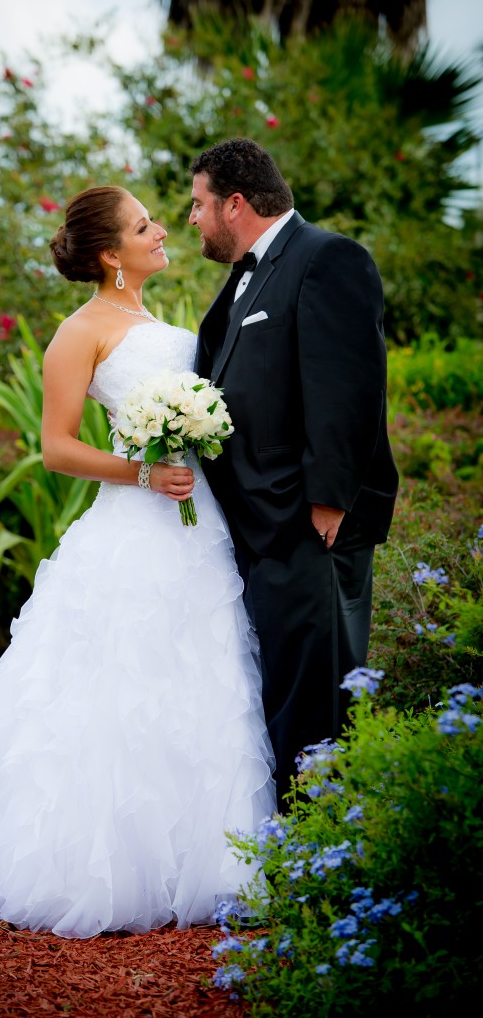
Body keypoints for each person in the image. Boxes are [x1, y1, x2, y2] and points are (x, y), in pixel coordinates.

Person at [0, 185, 276, 939]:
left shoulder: (157, 322)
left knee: (199, 671)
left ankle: (211, 854)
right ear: (110, 254)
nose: (160, 232)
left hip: (198, 524)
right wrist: (143, 472)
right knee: (123, 683)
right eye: (144, 226)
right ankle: (103, 861)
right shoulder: (78, 333)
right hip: (135, 525)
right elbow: (56, 448)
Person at [189, 139, 399, 810]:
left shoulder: (326, 258)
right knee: (282, 691)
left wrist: (327, 503)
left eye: (197, 204)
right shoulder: (246, 276)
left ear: (235, 203)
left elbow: (348, 388)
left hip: (308, 525)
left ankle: (321, 851)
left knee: (319, 704)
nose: (191, 219)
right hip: (257, 525)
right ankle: (292, 848)